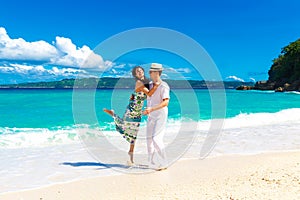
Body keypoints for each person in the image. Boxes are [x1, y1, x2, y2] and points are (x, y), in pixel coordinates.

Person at [103, 66, 159, 166]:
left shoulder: (146, 83)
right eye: (138, 72)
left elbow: (146, 96)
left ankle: (130, 157)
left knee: (133, 135)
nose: (140, 72)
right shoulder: (139, 83)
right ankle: (113, 115)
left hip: (138, 112)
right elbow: (150, 94)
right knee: (124, 127)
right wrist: (157, 85)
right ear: (135, 75)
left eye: (141, 70)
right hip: (132, 109)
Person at [143, 63, 170, 170]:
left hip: (160, 114)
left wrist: (152, 109)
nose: (149, 73)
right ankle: (152, 162)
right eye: (149, 71)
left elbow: (165, 103)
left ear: (157, 72)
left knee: (156, 138)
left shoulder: (164, 86)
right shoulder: (149, 84)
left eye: (151, 71)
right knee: (149, 139)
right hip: (151, 115)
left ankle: (164, 162)